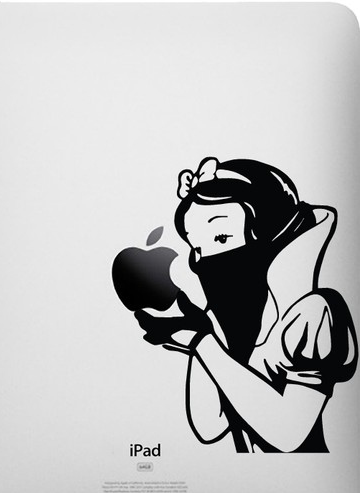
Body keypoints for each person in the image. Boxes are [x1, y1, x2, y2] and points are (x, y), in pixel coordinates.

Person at [134, 157, 358, 452]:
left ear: (272, 233)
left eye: (222, 237)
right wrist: (207, 327)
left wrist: (203, 343)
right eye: (198, 247)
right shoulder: (234, 323)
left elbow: (288, 435)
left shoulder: (314, 312)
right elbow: (209, 426)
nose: (207, 259)